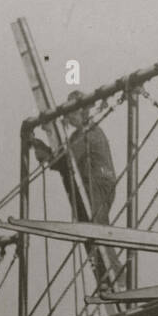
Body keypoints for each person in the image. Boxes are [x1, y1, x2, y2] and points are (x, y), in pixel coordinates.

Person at [32, 91, 117, 225]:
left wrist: (44, 150)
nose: (69, 118)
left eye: (73, 113)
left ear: (84, 113)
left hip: (98, 186)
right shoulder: (79, 135)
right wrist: (43, 148)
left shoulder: (90, 133)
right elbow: (63, 158)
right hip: (90, 183)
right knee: (89, 227)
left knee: (96, 228)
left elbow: (65, 161)